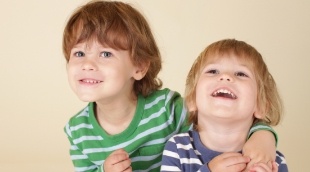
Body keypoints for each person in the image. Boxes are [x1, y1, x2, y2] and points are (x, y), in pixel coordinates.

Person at [62, 1, 278, 172]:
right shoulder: (77, 130)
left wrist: (263, 137)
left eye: (106, 53)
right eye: (79, 53)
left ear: (139, 66)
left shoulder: (167, 108)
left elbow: (219, 119)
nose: (87, 64)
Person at [160, 39, 288, 172]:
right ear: (192, 100)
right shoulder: (178, 149)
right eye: (213, 71)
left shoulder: (272, 159)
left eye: (241, 74)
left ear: (261, 105)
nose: (225, 76)